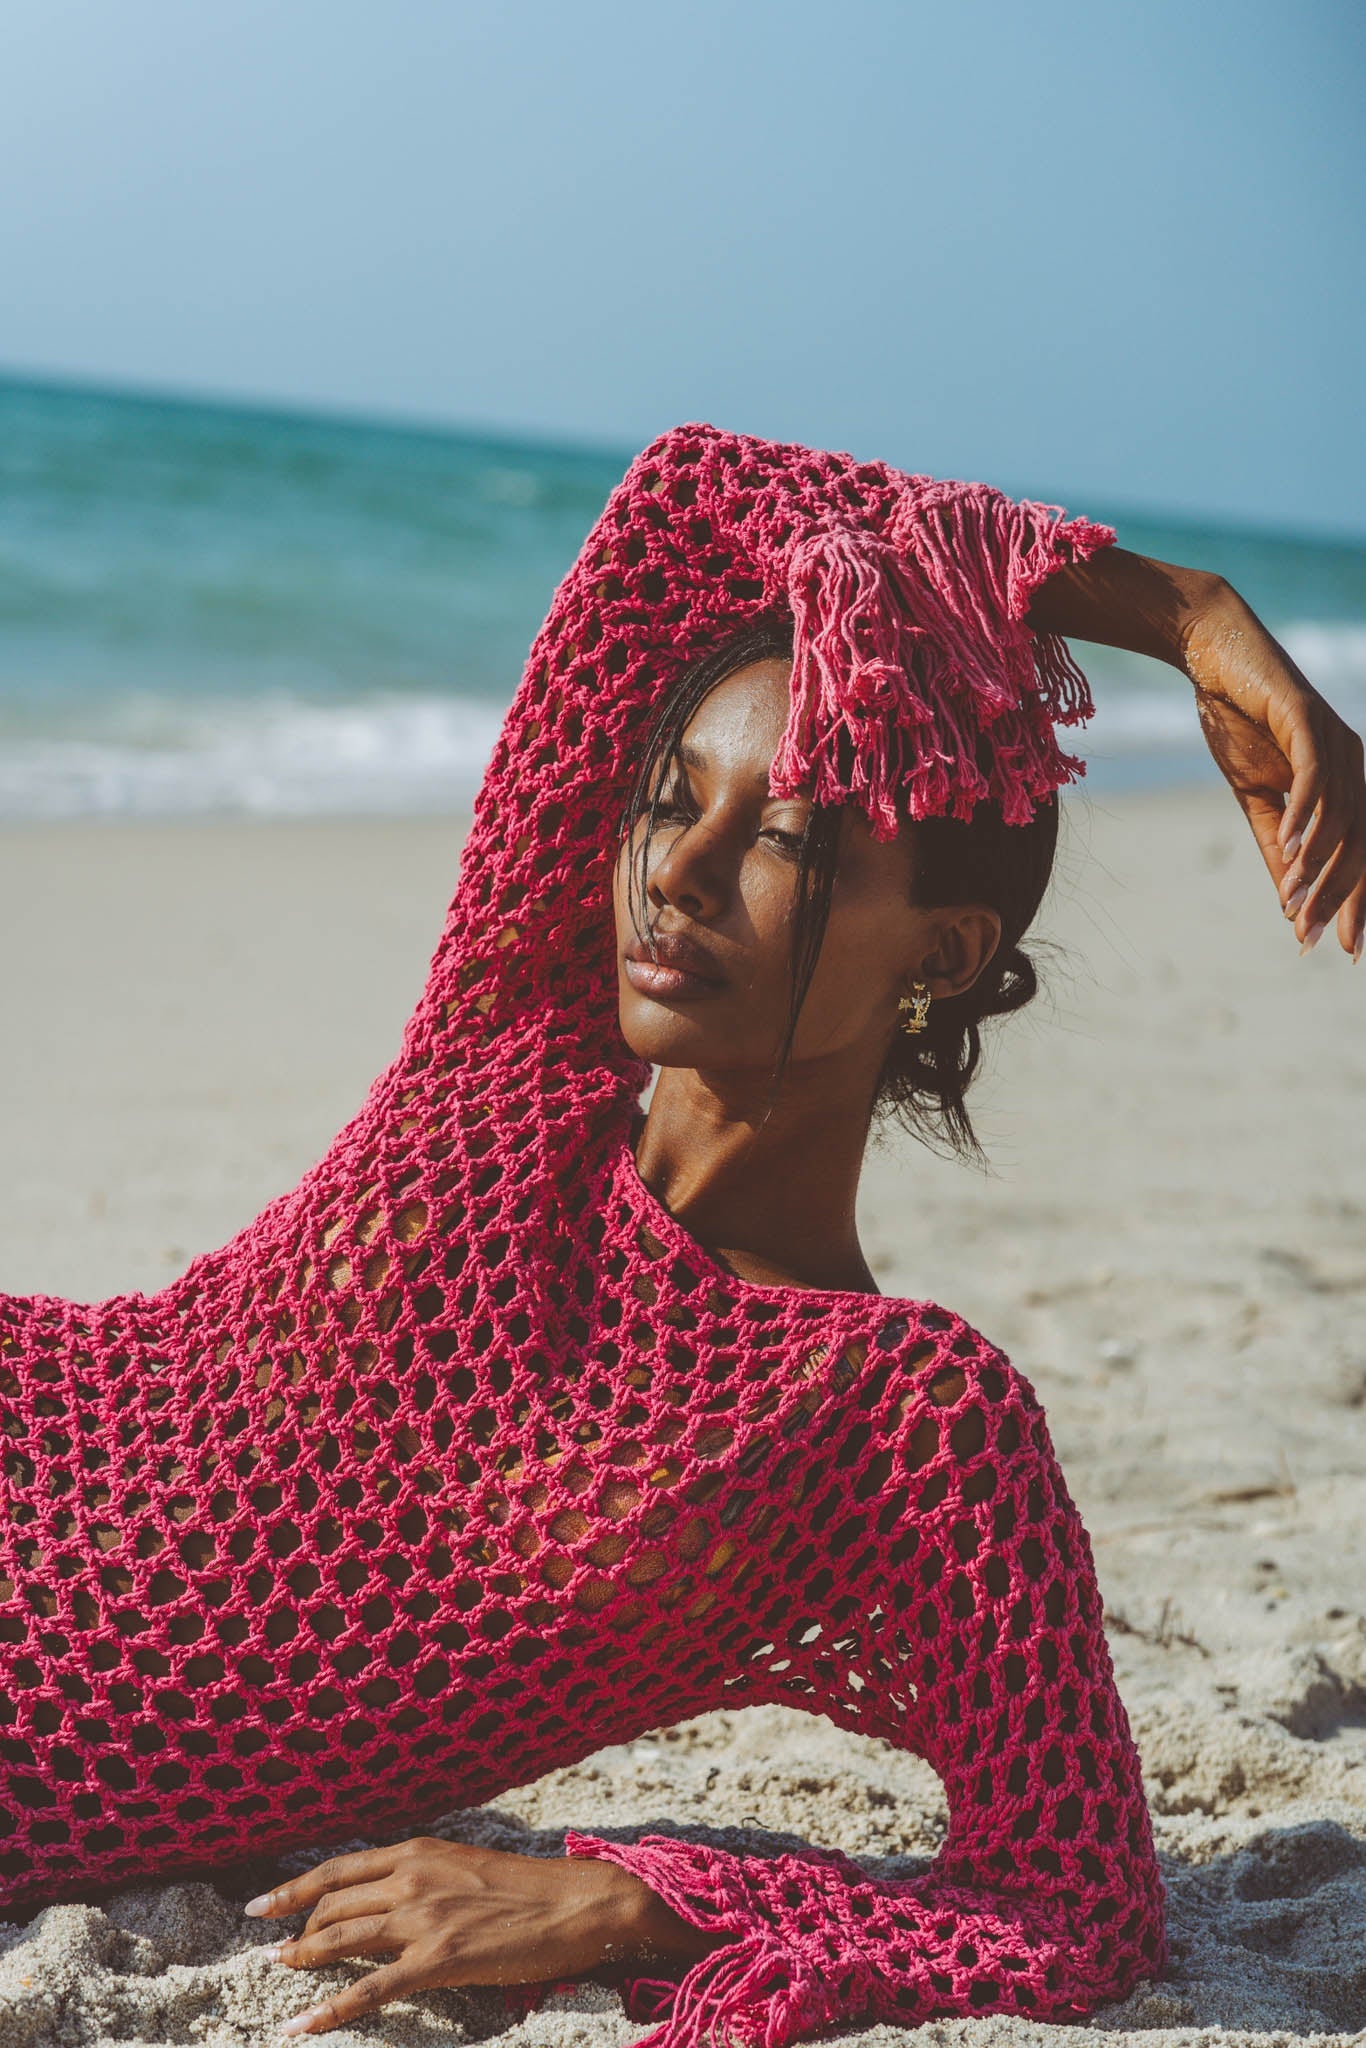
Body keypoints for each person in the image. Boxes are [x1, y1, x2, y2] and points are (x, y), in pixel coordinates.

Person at [0, 422, 1361, 2048]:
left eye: (784, 836)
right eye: (669, 802)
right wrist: (1188, 612)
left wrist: (641, 1902)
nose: (680, 875)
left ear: (943, 943)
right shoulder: (506, 1058)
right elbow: (687, 498)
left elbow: (1074, 1908)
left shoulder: (900, 1414)